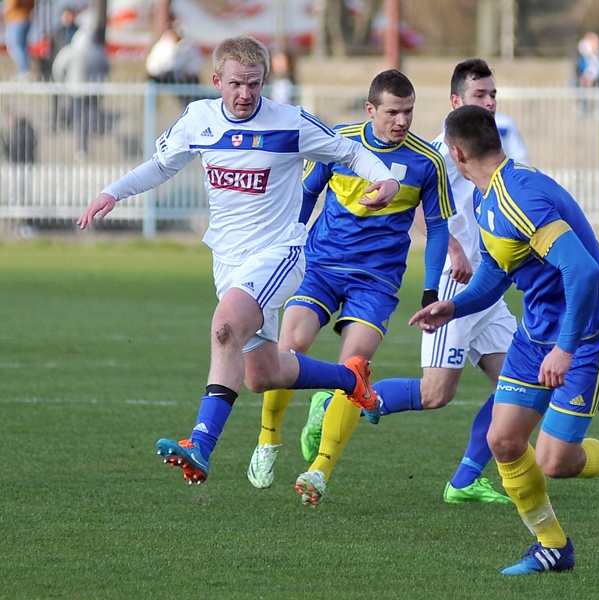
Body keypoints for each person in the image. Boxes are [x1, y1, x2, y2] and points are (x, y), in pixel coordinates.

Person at [76, 35, 401, 485]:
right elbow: (160, 165)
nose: (245, 94)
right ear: (216, 81)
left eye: (253, 84)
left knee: (224, 326)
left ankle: (201, 445)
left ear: (265, 80)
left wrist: (384, 179)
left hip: (279, 252)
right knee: (262, 374)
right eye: (235, 84)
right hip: (227, 260)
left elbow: (349, 152)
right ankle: (351, 382)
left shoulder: (290, 122)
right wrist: (113, 191)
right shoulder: (199, 118)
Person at [410, 104, 599, 575]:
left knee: (556, 460)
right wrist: (455, 306)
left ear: (457, 153)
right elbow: (498, 271)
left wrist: (566, 347)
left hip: (589, 335)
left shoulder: (518, 197)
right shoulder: (489, 198)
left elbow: (581, 271)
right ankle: (552, 547)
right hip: (536, 332)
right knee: (503, 440)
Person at [246, 69, 453, 505]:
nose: (402, 120)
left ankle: (319, 472)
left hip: (376, 281)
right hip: (320, 265)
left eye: (409, 111)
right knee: (290, 346)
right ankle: (268, 439)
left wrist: (431, 291)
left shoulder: (427, 162)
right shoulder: (338, 141)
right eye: (393, 112)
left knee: (354, 369)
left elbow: (436, 231)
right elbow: (304, 195)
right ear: (371, 110)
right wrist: (287, 244)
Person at [336, 58, 528, 506]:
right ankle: (336, 399)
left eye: (494, 94)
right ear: (456, 101)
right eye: (481, 95)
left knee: (519, 387)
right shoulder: (437, 151)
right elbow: (418, 203)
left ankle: (465, 480)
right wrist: (456, 249)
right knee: (435, 393)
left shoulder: (493, 144)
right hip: (454, 287)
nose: (490, 102)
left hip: (489, 287)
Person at [51, 23, 110, 160]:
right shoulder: (97, 50)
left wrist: (62, 83)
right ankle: (94, 133)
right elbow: (107, 67)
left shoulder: (70, 51)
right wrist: (101, 79)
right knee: (92, 113)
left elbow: (58, 68)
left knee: (78, 117)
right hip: (93, 89)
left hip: (75, 89)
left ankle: (81, 145)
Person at [145, 25, 204, 105]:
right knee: (150, 82)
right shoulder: (160, 46)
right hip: (164, 76)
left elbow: (197, 61)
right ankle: (151, 105)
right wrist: (161, 72)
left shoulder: (187, 46)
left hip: (182, 77)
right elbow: (152, 64)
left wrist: (187, 71)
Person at [574, 32, 599, 116]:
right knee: (577, 83)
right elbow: (579, 68)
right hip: (584, 78)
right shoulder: (582, 54)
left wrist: (593, 76)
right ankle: (582, 106)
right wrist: (586, 76)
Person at [4, 0, 35, 80]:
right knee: (21, 46)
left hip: (15, 19)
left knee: (15, 46)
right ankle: (23, 70)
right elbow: (32, 5)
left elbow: (11, 4)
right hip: (26, 18)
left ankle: (23, 71)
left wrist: (5, 11)